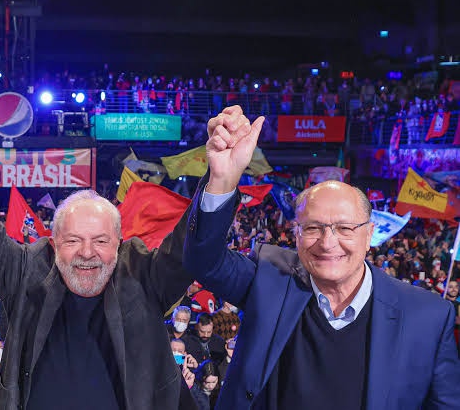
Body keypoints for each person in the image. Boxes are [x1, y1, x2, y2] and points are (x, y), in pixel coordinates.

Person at [0, 89, 201, 409]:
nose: (87, 252)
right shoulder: (25, 269)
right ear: (54, 242)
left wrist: (222, 181)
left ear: (119, 241)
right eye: (73, 240)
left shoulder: (144, 274)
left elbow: (192, 249)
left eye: (100, 241)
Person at [183, 105, 460, 409]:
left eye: (345, 228)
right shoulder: (269, 278)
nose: (329, 243)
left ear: (370, 234)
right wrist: (222, 179)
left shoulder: (427, 316)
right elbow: (204, 262)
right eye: (313, 227)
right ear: (296, 233)